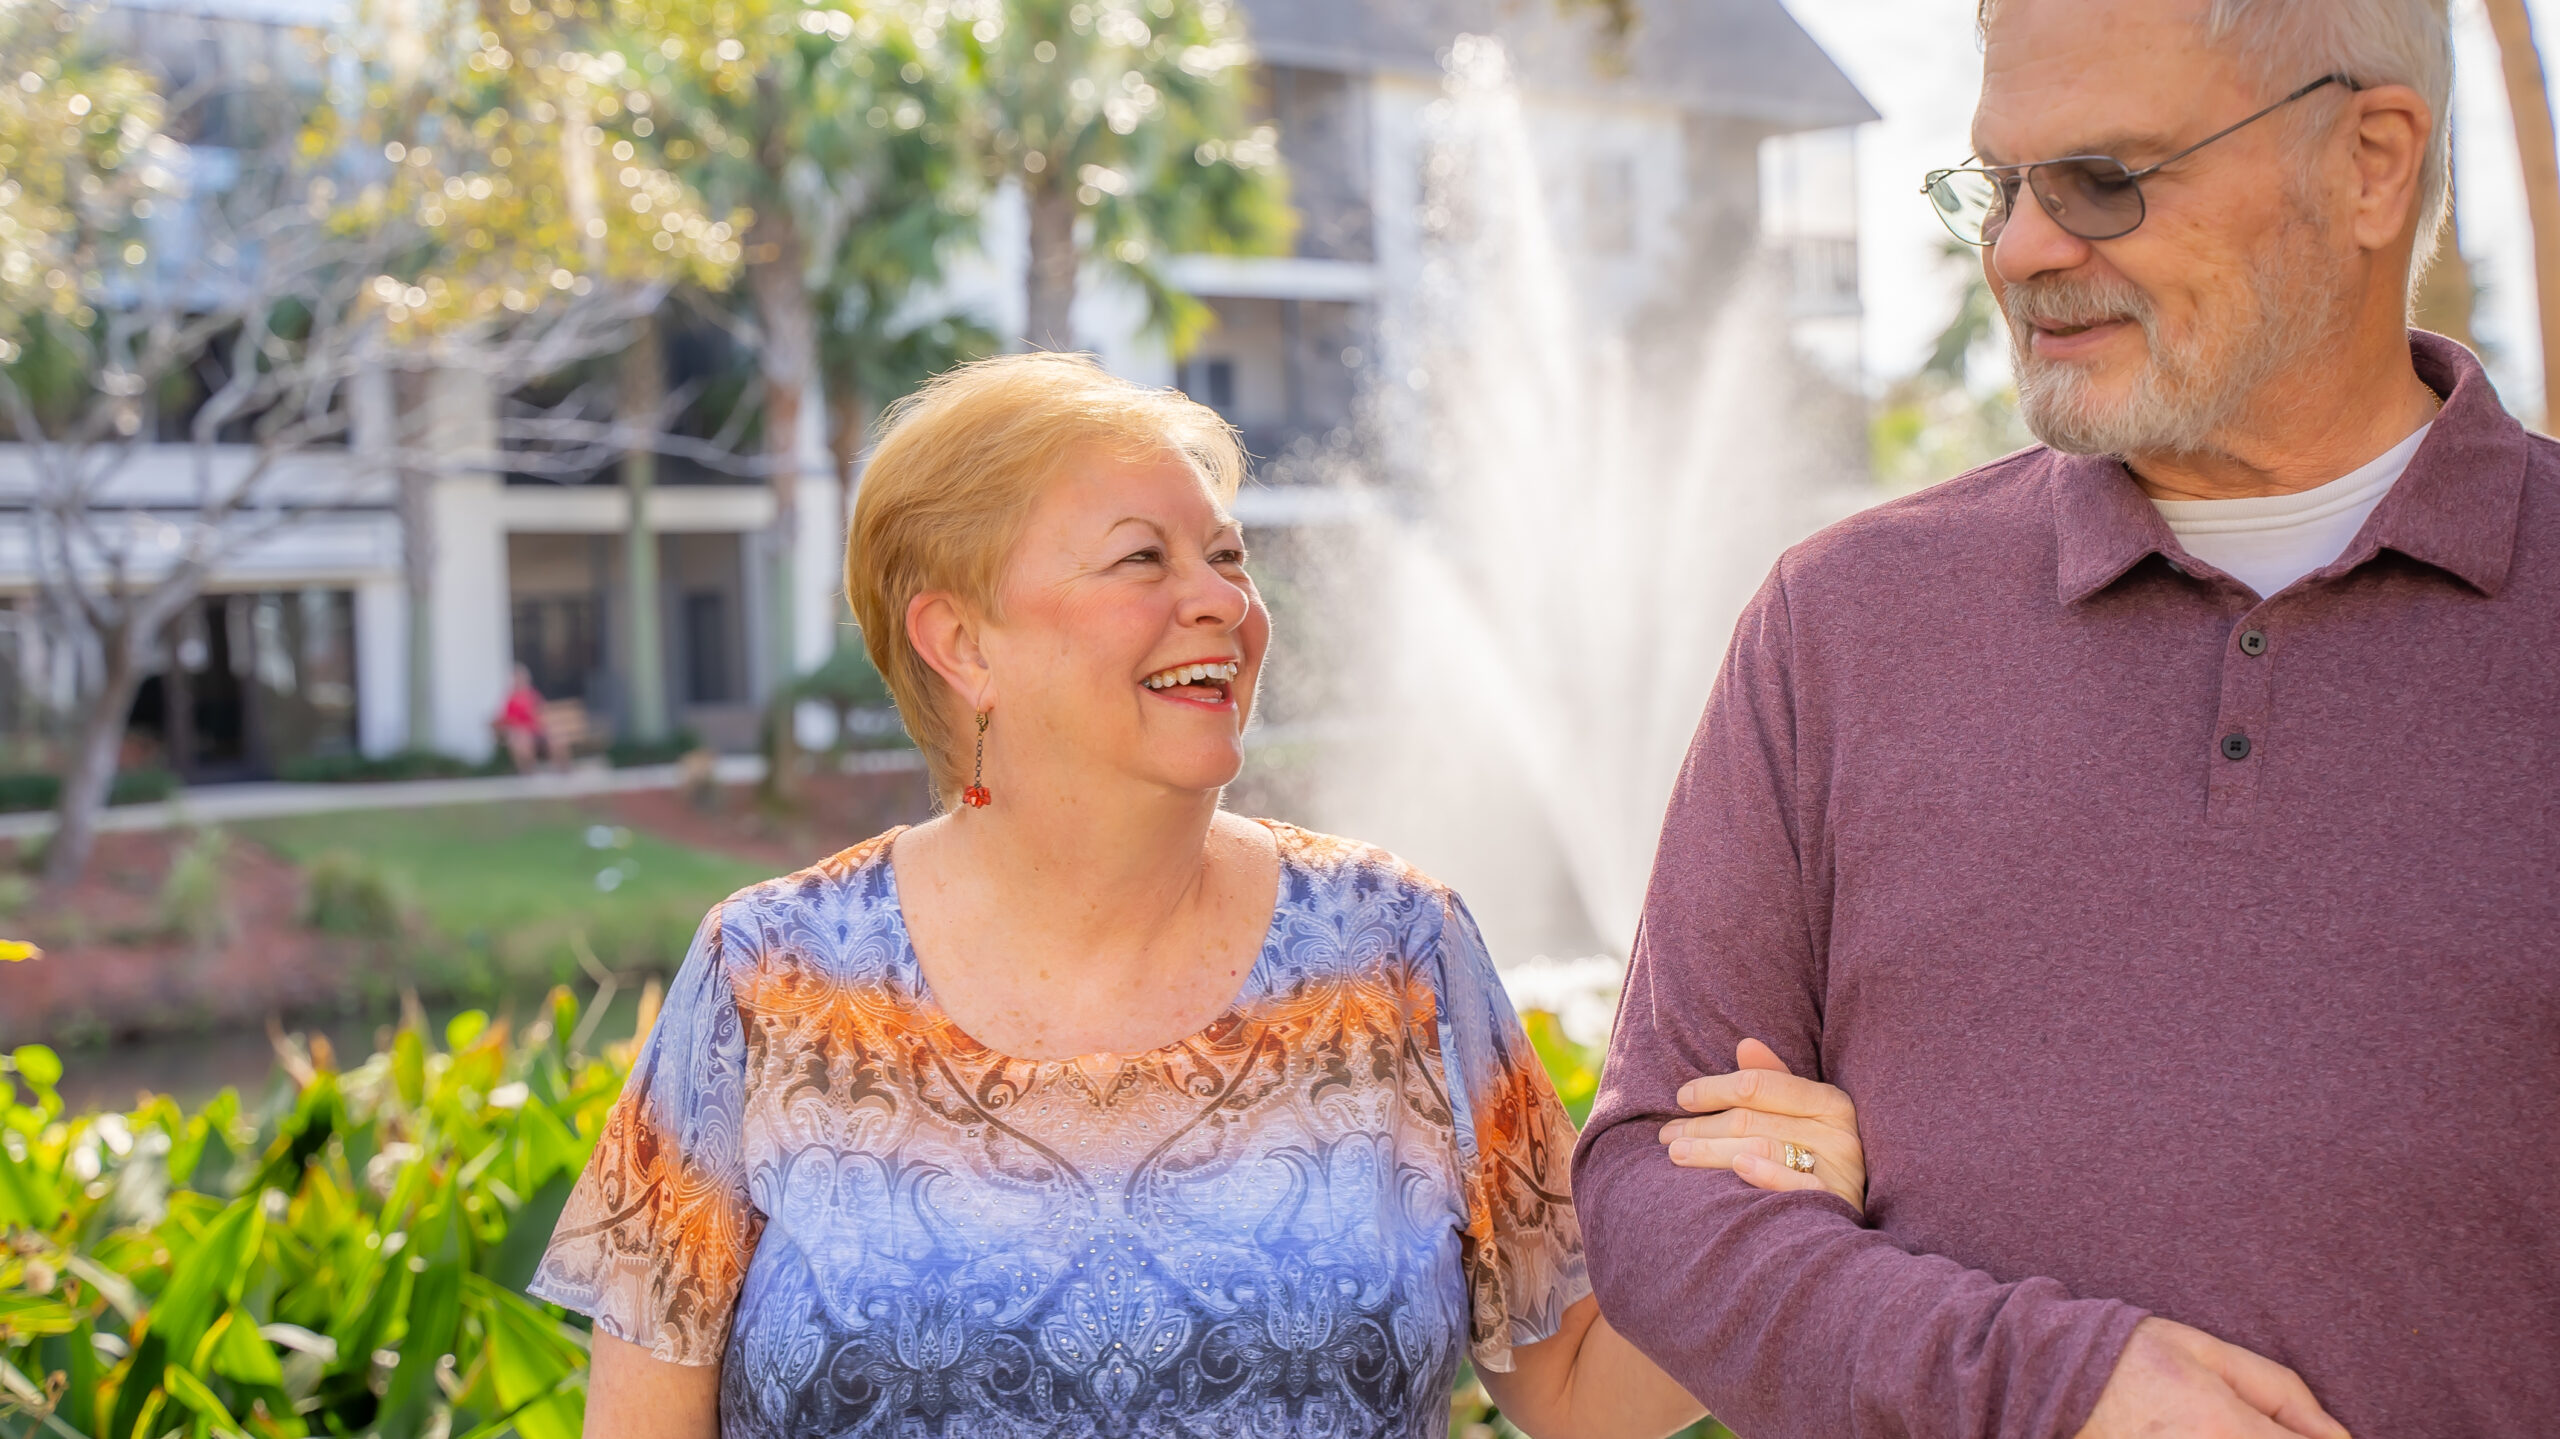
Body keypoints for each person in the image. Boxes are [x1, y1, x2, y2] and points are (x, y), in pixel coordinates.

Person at [528, 352, 1868, 1439]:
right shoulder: (766, 977)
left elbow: (1579, 1392)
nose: (1220, 602)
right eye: (1143, 560)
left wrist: (1776, 1203)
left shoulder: (1397, 951)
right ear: (961, 641)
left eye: (1227, 556)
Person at [1576, 1, 2560, 1437]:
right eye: (1999, 185)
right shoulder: (1842, 620)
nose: (2025, 251)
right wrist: (2053, 1388)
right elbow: (1655, 1193)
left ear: (2370, 162)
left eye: (2106, 179)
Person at [497, 664, 550, 773]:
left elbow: (541, 713)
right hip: (519, 732)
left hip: (535, 731)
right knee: (521, 741)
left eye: (520, 677)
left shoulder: (533, 695)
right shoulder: (511, 698)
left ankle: (562, 772)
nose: (518, 680)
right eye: (516, 678)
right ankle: (528, 771)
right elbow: (506, 718)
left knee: (556, 740)